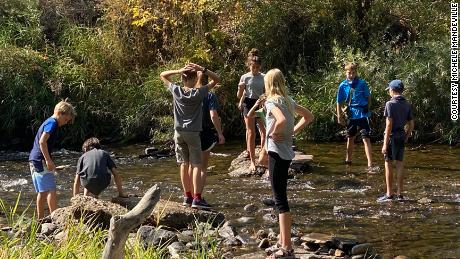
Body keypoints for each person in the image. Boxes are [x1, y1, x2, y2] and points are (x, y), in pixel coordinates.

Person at [264, 69, 314, 258]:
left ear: (269, 84)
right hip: (286, 153)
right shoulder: (288, 101)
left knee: (280, 200)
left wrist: (271, 133)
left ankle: (286, 246)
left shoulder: (271, 102)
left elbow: (281, 119)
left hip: (276, 152)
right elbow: (309, 116)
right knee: (280, 196)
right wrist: (293, 132)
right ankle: (282, 240)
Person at [160, 63, 220, 209]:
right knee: (196, 166)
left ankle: (187, 196)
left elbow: (163, 75)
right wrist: (203, 69)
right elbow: (217, 79)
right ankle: (197, 198)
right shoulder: (199, 93)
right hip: (193, 133)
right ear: (195, 79)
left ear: (182, 78)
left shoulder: (176, 90)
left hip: (178, 132)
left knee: (183, 164)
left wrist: (178, 70)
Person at [28, 100, 76, 219]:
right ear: (60, 113)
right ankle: (55, 218)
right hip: (40, 160)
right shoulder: (52, 122)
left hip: (34, 159)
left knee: (42, 192)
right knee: (51, 190)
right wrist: (48, 161)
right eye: (66, 120)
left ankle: (40, 219)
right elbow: (42, 141)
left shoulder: (47, 122)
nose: (65, 123)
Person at [189, 76, 225, 201]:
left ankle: (189, 196)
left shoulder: (189, 93)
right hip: (205, 132)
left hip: (190, 132)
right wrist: (220, 133)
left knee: (191, 165)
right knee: (202, 168)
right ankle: (197, 197)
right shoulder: (209, 96)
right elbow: (213, 115)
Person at [378, 80, 414, 202]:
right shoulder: (407, 104)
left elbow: (388, 125)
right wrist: (407, 136)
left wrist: (384, 144)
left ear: (392, 90)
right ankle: (400, 194)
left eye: (389, 89)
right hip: (401, 137)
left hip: (392, 137)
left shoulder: (390, 104)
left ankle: (389, 194)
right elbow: (411, 124)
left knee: (388, 164)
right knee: (399, 164)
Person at [336, 62, 376, 171]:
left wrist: (367, 108)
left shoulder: (362, 83)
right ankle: (348, 160)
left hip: (363, 114)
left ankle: (370, 163)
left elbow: (368, 97)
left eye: (353, 73)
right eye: (349, 73)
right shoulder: (343, 85)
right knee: (350, 137)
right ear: (346, 73)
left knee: (366, 138)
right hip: (351, 115)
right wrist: (339, 116)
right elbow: (339, 102)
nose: (351, 75)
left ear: (356, 72)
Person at [237, 48, 267, 172]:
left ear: (260, 67)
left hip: (260, 102)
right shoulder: (245, 77)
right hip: (248, 103)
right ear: (249, 66)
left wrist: (264, 102)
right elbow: (239, 95)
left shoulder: (264, 77)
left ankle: (263, 155)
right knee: (251, 132)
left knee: (264, 131)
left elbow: (267, 92)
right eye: (253, 67)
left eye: (257, 67)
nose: (255, 69)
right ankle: (252, 161)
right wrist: (240, 88)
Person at [247, 94, 268, 168]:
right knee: (261, 160)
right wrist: (255, 105)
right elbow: (249, 115)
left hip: (274, 137)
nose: (265, 106)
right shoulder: (261, 112)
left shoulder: (274, 110)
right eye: (263, 104)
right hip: (270, 138)